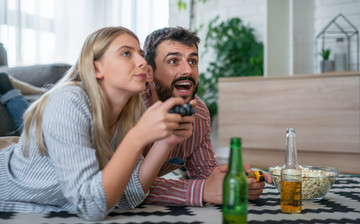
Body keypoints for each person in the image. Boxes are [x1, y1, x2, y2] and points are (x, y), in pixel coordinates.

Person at [0, 26, 195, 221]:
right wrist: (138, 138)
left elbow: (125, 197)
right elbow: (91, 207)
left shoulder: (129, 112)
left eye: (141, 54)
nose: (143, 62)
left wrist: (165, 142)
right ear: (96, 68)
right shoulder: (68, 101)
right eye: (126, 53)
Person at [141, 26, 272, 206]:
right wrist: (202, 191)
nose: (187, 70)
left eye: (193, 61)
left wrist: (234, 181)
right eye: (173, 61)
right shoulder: (129, 110)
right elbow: (127, 187)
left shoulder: (199, 113)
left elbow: (204, 171)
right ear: (149, 72)